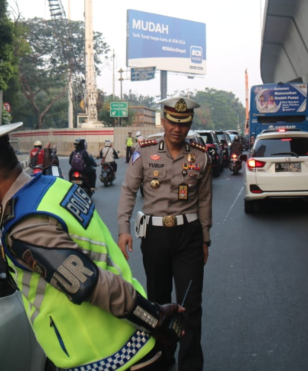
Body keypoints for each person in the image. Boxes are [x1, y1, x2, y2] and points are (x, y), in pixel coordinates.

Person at [0, 122, 185, 371]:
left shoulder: (25, 228)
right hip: (131, 340)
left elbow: (90, 283)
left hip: (109, 357)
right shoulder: (54, 188)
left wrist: (154, 318)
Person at [117, 97, 212, 371]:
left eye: (183, 124)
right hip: (155, 237)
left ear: (189, 124)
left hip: (189, 237)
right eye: (172, 122)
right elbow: (127, 191)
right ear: (163, 120)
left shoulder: (200, 155)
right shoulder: (144, 151)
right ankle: (162, 358)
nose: (177, 129)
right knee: (158, 304)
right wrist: (124, 230)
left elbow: (204, 199)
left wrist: (205, 237)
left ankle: (190, 365)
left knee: (190, 306)